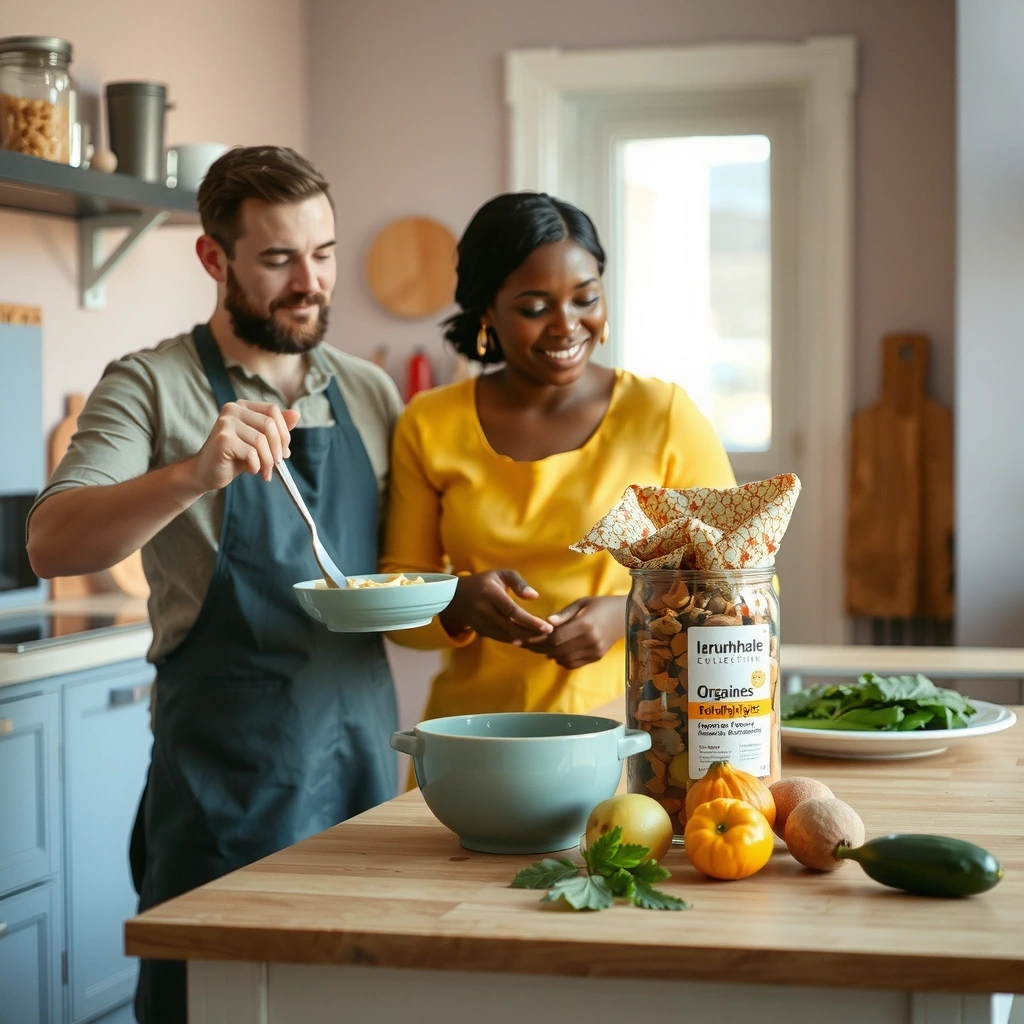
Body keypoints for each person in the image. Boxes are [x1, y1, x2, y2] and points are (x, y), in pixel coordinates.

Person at [26, 146, 404, 1024]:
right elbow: (50, 541)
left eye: (324, 252)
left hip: (361, 782)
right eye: (277, 259)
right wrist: (194, 474)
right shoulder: (149, 387)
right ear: (214, 258)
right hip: (224, 794)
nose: (309, 282)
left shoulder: (371, 393)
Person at [380, 191, 736, 727]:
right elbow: (393, 599)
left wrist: (628, 616)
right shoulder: (429, 423)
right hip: (470, 735)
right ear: (487, 313)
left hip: (634, 731)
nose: (567, 325)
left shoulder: (663, 415)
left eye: (585, 299)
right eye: (534, 307)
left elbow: (742, 584)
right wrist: (454, 601)